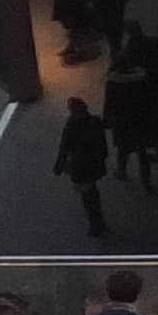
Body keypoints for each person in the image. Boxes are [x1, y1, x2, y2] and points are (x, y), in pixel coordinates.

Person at [54, 98, 111, 237]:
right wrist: (102, 158)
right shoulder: (95, 121)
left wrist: (59, 166)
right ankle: (99, 222)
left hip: (79, 165)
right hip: (94, 163)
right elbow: (102, 145)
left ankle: (95, 225)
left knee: (87, 197)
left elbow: (64, 147)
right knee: (93, 193)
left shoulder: (72, 124)